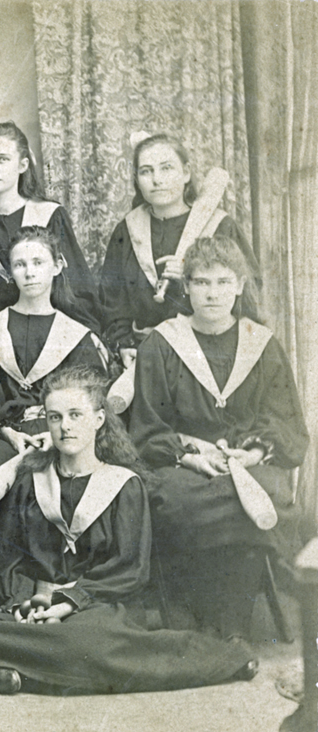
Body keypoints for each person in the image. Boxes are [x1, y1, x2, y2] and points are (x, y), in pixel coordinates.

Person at [0, 366, 257, 696]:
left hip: (100, 609)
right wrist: (27, 606)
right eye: (55, 417)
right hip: (35, 610)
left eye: (76, 415)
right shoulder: (29, 482)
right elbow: (7, 562)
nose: (65, 426)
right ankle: (50, 667)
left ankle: (5, 670)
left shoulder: (124, 486)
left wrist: (67, 604)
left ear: (99, 419)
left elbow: (130, 571)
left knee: (87, 642)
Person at [129, 236, 308, 637]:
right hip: (185, 462)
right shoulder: (162, 343)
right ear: (186, 287)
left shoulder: (261, 344)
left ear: (240, 286)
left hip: (248, 461)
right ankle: (196, 621)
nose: (212, 293)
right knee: (178, 500)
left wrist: (256, 451)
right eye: (202, 282)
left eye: (223, 282)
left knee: (266, 497)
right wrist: (190, 454)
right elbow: (147, 424)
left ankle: (230, 624)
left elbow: (283, 419)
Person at [0, 227, 106, 608]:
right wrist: (10, 433)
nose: (29, 272)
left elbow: (88, 396)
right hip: (3, 435)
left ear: (58, 266)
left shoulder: (76, 335)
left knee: (63, 475)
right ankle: (3, 592)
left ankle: (54, 588)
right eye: (20, 264)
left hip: (63, 431)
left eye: (38, 262)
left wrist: (56, 433)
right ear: (9, 272)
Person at [99, 133, 258, 361]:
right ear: (137, 179)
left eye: (166, 168)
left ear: (186, 173)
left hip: (210, 351)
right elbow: (112, 299)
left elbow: (247, 296)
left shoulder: (220, 226)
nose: (157, 180)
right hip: (146, 352)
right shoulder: (127, 230)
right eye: (146, 171)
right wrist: (123, 344)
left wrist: (191, 275)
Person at [0, 121, 100, 333]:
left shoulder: (50, 216)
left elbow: (78, 289)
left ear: (22, 165)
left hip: (50, 335)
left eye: (3, 160)